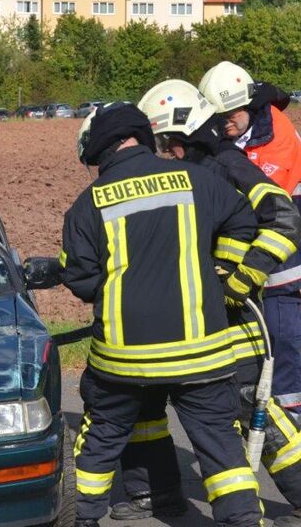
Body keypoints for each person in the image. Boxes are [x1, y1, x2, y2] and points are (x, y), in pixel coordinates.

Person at [61, 101, 262, 527]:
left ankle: (85, 518)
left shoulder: (88, 202)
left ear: (99, 149)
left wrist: (121, 292)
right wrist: (221, 275)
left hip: (124, 357)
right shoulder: (198, 179)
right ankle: (243, 520)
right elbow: (244, 222)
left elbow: (80, 279)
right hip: (202, 351)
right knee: (221, 446)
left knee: (102, 438)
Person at [112, 80, 301, 527]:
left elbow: (285, 218)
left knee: (247, 403)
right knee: (150, 397)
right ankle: (155, 495)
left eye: (164, 143)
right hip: (192, 312)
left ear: (179, 133)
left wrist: (242, 279)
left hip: (230, 315)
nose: (163, 152)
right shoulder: (197, 165)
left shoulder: (226, 165)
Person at [199, 62, 301, 419]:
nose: (225, 122)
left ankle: (289, 417)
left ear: (250, 106)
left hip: (287, 261)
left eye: (231, 114)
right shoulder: (238, 134)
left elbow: (273, 202)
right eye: (218, 116)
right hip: (272, 256)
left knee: (284, 339)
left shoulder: (276, 134)